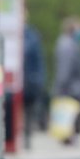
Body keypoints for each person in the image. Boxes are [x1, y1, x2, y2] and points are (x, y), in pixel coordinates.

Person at [52, 15, 80, 143]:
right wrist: (61, 87)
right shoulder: (67, 46)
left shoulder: (72, 44)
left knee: (72, 114)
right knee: (69, 115)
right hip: (69, 88)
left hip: (72, 87)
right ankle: (68, 138)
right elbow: (65, 69)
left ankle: (70, 137)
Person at [22, 14, 47, 148]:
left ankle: (27, 138)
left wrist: (39, 79)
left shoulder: (31, 35)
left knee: (29, 110)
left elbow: (37, 60)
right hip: (22, 79)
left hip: (29, 80)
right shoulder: (31, 36)